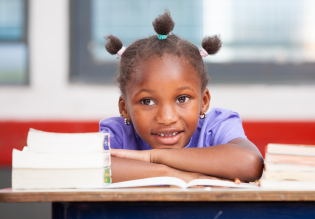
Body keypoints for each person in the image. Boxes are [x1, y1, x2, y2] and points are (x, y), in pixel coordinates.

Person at [99, 10, 263, 183]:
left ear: (204, 101)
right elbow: (94, 168)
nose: (167, 118)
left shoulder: (215, 126)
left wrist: (155, 157)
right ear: (125, 108)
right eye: (147, 101)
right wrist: (173, 175)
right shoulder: (118, 133)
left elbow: (250, 163)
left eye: (182, 99)